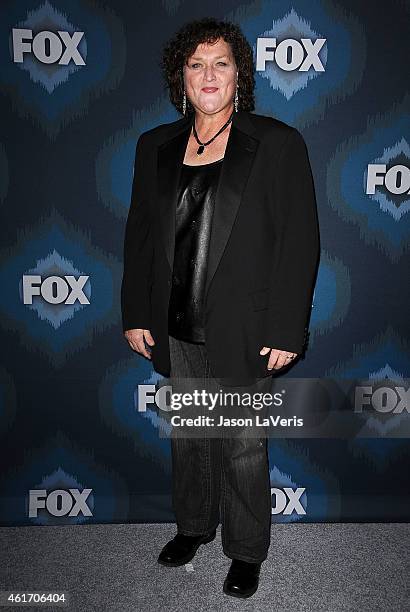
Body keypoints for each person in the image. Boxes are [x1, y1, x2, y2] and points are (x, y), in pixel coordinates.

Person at [121, 17, 320, 599]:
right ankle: (193, 527)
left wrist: (287, 326)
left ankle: (247, 549)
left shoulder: (278, 144)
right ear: (180, 78)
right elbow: (138, 236)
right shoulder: (152, 147)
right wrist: (137, 311)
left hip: (247, 327)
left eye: (221, 63)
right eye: (196, 64)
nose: (209, 75)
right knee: (189, 436)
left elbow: (299, 243)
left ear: (240, 76)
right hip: (175, 324)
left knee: (240, 444)